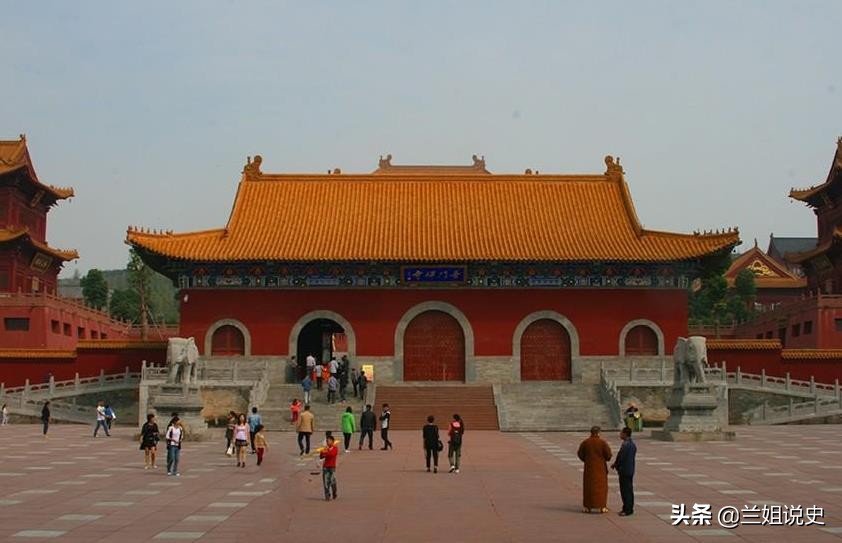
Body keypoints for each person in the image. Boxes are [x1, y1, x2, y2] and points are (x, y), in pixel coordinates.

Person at [577, 426, 612, 514]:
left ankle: (588, 506)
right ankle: (602, 506)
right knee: (601, 487)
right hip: (600, 468)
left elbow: (580, 453)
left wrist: (586, 460)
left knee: (589, 487)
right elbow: (608, 455)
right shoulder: (602, 442)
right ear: (599, 433)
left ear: (591, 432)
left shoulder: (586, 442)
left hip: (589, 468)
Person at [611, 427, 637, 517]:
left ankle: (627, 509)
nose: (620, 434)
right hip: (629, 470)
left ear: (625, 434)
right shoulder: (631, 444)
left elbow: (621, 458)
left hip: (625, 470)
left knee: (625, 490)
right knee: (629, 490)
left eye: (621, 433)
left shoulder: (627, 445)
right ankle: (628, 508)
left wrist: (616, 465)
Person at [319, 434, 339, 501]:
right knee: (326, 481)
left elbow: (331, 454)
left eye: (329, 441)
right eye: (327, 441)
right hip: (325, 467)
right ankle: (327, 495)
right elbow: (321, 456)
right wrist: (323, 452)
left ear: (333, 442)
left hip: (332, 467)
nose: (328, 442)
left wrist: (325, 452)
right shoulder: (326, 449)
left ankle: (334, 492)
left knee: (332, 481)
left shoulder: (335, 448)